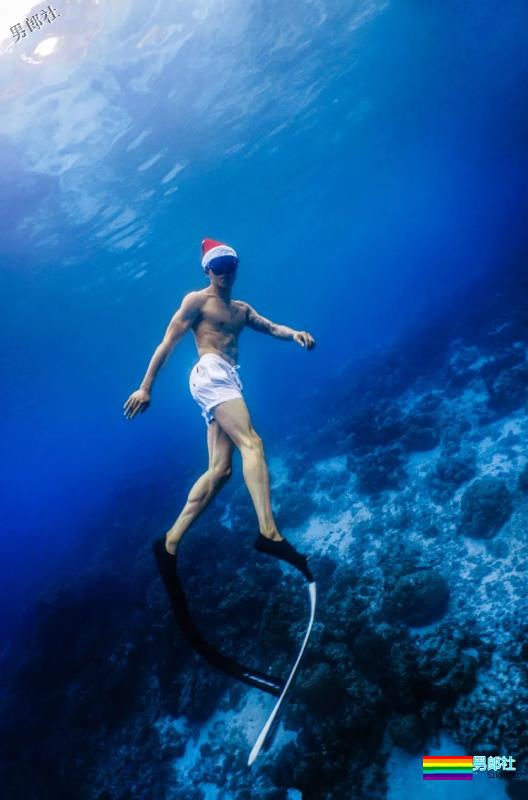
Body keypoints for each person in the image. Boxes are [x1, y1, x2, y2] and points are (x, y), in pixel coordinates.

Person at [123, 238, 316, 581]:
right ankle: (269, 533)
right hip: (210, 372)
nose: (224, 273)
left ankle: (170, 541)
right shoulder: (198, 301)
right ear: (208, 271)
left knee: (221, 471)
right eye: (218, 267)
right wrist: (145, 386)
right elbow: (167, 341)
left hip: (227, 378)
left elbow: (271, 327)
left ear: (236, 267)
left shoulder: (241, 309)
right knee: (252, 443)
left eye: (230, 265)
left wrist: (295, 333)